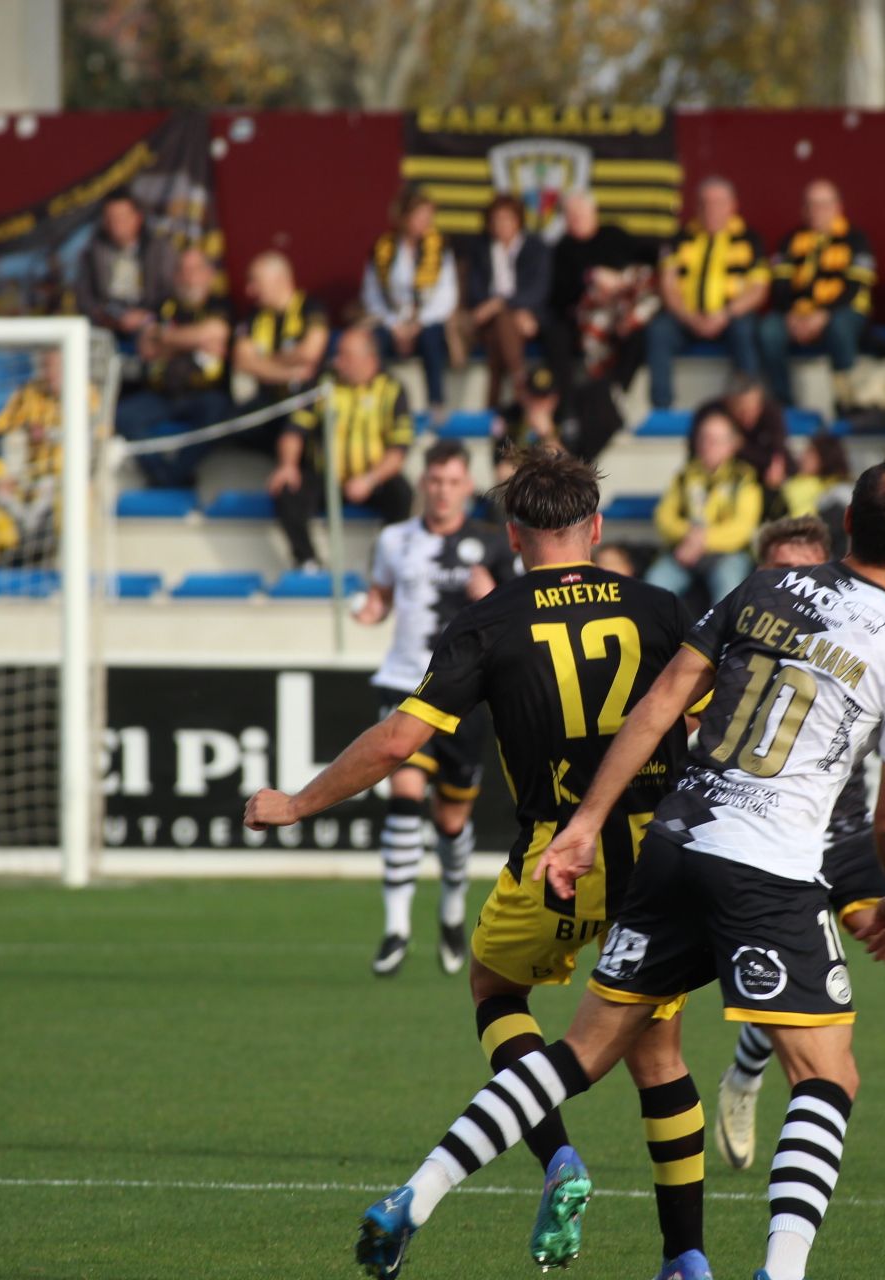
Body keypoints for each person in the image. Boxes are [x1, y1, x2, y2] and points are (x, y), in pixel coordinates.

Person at [346, 458, 885, 1280]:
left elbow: (660, 704)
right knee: (826, 1071)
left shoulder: (760, 590)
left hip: (672, 847)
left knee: (578, 1054)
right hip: (769, 871)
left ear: (846, 526)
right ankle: (780, 1272)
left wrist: (586, 822)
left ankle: (417, 1194)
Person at [245, 450, 710, 1277]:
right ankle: (686, 1258)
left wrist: (297, 803)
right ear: (595, 528)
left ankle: (558, 1155)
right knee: (658, 1052)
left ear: (513, 535)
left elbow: (398, 742)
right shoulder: (661, 608)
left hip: (555, 857)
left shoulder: (489, 621)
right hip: (657, 861)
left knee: (497, 988)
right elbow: (717, 722)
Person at [713, 515, 885, 1185]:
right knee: (801, 996)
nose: (792, 585)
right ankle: (745, 1074)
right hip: (761, 834)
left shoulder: (872, 639)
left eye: (803, 571)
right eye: (778, 574)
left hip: (845, 828)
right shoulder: (739, 634)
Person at [352, 440, 511, 978]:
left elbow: (514, 616)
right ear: (424, 483)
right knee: (402, 795)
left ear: (468, 486)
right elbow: (382, 598)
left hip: (465, 691)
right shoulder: (395, 540)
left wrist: (491, 595)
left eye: (452, 481)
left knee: (450, 820)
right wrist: (368, 608)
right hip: (403, 684)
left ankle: (450, 906)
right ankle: (396, 927)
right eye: (435, 481)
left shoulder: (491, 543)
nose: (442, 491)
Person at [272, 326, 415, 569]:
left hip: (372, 479)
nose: (337, 361)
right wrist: (288, 465)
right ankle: (307, 561)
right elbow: (294, 430)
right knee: (286, 490)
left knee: (402, 494)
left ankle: (381, 561)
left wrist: (369, 480)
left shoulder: (392, 388)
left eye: (345, 356)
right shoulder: (323, 382)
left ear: (368, 359)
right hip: (325, 477)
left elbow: (399, 449)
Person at [645, 177, 770, 412]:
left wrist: (725, 314)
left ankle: (750, 407)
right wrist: (689, 317)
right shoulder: (679, 239)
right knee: (659, 330)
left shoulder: (750, 240)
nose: (711, 209)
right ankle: (661, 408)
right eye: (705, 203)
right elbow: (667, 286)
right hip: (686, 319)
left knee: (745, 330)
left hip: (730, 318)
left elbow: (758, 290)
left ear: (733, 205)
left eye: (718, 203)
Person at [112, 247, 233, 489]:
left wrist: (164, 339)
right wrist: (194, 342)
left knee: (220, 413)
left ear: (209, 274)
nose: (188, 277)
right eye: (183, 270)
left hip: (204, 394)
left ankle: (173, 475)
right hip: (162, 394)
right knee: (122, 416)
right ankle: (167, 476)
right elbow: (146, 348)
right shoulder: (164, 306)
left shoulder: (220, 304)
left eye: (195, 270)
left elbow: (215, 331)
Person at [759, 180, 876, 412]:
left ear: (837, 207)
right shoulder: (790, 240)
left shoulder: (856, 240)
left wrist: (823, 316)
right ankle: (782, 402)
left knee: (840, 327)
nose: (817, 210)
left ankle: (847, 402)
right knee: (768, 330)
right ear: (803, 209)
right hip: (797, 315)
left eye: (823, 204)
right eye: (811, 204)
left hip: (844, 313)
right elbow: (779, 285)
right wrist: (791, 315)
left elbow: (855, 287)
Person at [647, 404, 764, 605]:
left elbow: (743, 528)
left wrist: (701, 540)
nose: (708, 444)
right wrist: (688, 535)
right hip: (685, 549)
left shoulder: (744, 477)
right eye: (704, 438)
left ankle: (721, 638)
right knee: (653, 585)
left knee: (728, 594)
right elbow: (663, 517)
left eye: (716, 440)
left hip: (729, 554)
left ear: (731, 444)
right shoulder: (685, 475)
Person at [543, 189, 653, 402]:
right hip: (581, 319)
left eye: (581, 213)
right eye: (570, 215)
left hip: (620, 310)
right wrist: (591, 283)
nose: (576, 219)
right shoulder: (562, 249)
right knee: (557, 336)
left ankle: (616, 394)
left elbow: (645, 266)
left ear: (594, 212)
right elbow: (557, 297)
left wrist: (619, 283)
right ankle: (565, 405)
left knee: (639, 331)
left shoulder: (615, 236)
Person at [0, 349, 75, 576]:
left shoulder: (86, 396)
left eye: (57, 369)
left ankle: (54, 567)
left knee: (58, 498)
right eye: (47, 368)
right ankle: (8, 563)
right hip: (26, 476)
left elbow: (96, 438)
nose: (51, 375)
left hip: (64, 478)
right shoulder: (27, 395)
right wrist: (0, 473)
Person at [362, 189, 458, 411]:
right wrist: (393, 324)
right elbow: (371, 294)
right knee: (375, 341)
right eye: (419, 216)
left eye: (428, 217)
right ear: (404, 217)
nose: (425, 222)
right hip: (392, 319)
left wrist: (418, 323)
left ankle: (437, 403)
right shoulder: (382, 248)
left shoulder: (440, 246)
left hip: (427, 320)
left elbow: (447, 294)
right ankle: (377, 399)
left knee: (431, 339)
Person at [459, 194, 551, 409]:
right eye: (496, 220)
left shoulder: (536, 248)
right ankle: (520, 385)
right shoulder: (481, 250)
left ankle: (493, 404)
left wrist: (503, 304)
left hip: (527, 317)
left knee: (502, 322)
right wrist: (497, 307)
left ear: (518, 220)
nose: (502, 225)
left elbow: (538, 289)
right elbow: (475, 292)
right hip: (487, 320)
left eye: (507, 219)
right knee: (501, 323)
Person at [72, 192, 176, 339]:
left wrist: (147, 316)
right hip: (107, 327)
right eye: (111, 218)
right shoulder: (92, 252)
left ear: (138, 218)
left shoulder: (159, 250)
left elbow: (170, 292)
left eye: (122, 217)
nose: (117, 224)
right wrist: (108, 318)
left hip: (152, 326)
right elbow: (85, 298)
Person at [232, 251, 329, 406]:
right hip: (264, 401)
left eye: (255, 281)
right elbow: (242, 361)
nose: (249, 290)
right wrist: (289, 373)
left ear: (278, 280)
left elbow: (310, 353)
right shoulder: (254, 315)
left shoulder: (310, 308)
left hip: (303, 402)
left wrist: (261, 362)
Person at [493, 364, 566, 486]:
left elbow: (570, 472)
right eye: (534, 396)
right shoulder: (511, 418)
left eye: (544, 397)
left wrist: (548, 435)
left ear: (555, 399)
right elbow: (502, 471)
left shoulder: (566, 419)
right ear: (524, 396)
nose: (538, 403)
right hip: (523, 492)